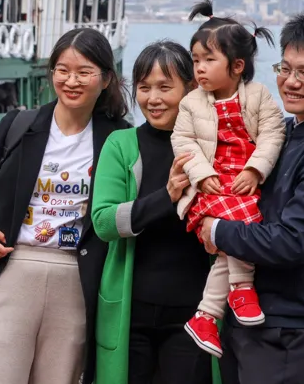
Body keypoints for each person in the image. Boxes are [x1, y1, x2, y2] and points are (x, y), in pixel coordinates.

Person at [0, 28, 131, 384]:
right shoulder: (18, 126)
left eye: (84, 72)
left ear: (106, 79)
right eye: (62, 70)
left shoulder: (120, 139)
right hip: (11, 267)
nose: (71, 80)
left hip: (79, 278)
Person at [199, 13, 304, 384]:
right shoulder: (287, 131)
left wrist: (218, 231)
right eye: (284, 68)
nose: (290, 81)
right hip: (249, 311)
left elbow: (295, 240)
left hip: (284, 324)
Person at [91, 41, 214, 383]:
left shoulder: (212, 146)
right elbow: (103, 221)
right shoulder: (122, 144)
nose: (153, 99)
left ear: (191, 88)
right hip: (131, 311)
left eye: (165, 87)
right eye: (144, 88)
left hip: (195, 314)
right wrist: (168, 196)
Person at [172, 0, 286, 356]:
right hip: (213, 187)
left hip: (244, 184)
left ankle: (206, 315)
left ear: (237, 66)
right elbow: (182, 139)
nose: (199, 69)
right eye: (195, 60)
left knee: (234, 239)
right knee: (237, 227)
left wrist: (255, 169)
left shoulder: (258, 95)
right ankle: (241, 289)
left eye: (209, 60)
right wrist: (201, 173)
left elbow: (273, 133)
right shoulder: (192, 102)